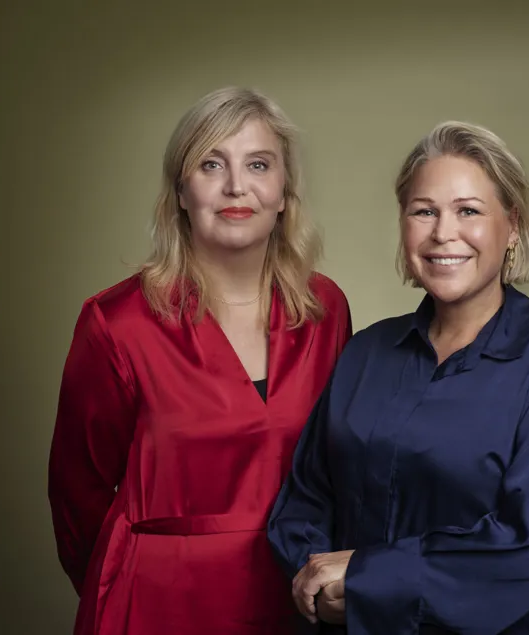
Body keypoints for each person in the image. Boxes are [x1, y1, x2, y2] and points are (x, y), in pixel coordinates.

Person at [268, 121, 529, 634]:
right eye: (424, 211)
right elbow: (305, 497)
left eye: (468, 211)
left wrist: (367, 580)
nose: (443, 233)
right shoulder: (367, 352)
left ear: (511, 226)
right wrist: (317, 580)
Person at [48, 87, 352, 635]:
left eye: (258, 164)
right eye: (212, 164)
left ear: (284, 192)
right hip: (155, 605)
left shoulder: (325, 309)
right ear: (181, 192)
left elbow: (335, 473)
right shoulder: (116, 322)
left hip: (294, 599)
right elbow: (77, 495)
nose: (237, 186)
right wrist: (119, 585)